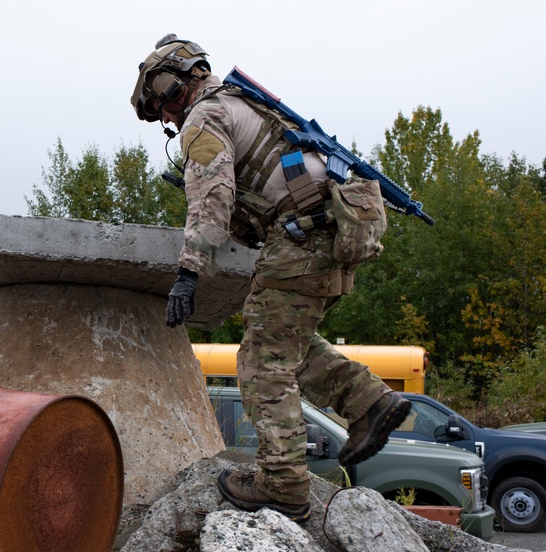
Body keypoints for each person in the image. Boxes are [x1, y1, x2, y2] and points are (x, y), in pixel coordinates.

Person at [131, 34, 411, 522]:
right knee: (285, 344)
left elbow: (211, 200)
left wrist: (188, 273)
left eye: (163, 112)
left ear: (172, 88)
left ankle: (282, 483)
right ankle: (369, 404)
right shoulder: (243, 103)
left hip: (303, 237)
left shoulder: (206, 116)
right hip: (329, 231)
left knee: (261, 362)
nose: (170, 122)